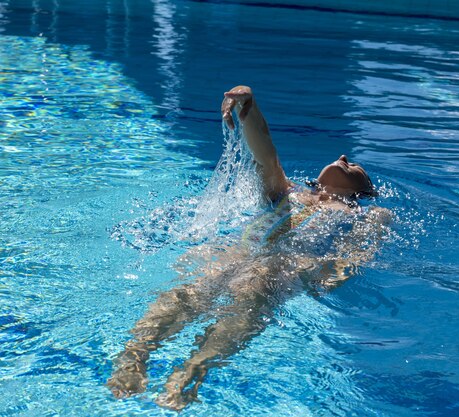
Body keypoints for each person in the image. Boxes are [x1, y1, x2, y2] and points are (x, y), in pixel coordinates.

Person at [107, 86, 391, 410]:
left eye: (353, 165)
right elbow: (266, 154)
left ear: (364, 190)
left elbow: (357, 252)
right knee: (191, 291)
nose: (343, 158)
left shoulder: (364, 214)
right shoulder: (289, 192)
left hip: (282, 268)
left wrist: (333, 276)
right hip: (240, 253)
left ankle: (190, 373)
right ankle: (135, 356)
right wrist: (249, 105)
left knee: (248, 304)